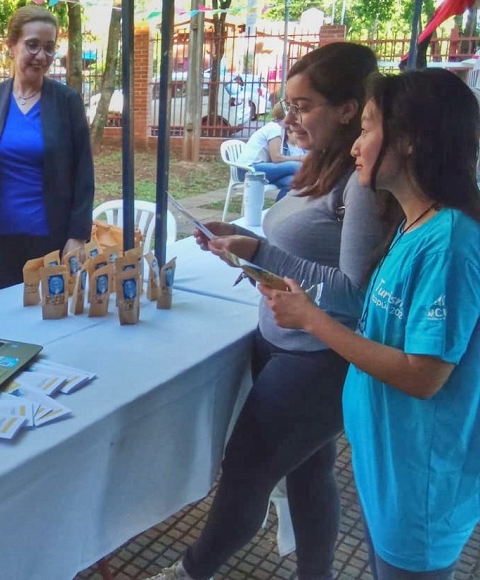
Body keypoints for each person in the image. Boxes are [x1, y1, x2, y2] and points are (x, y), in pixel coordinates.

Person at [147, 42, 390, 580]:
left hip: (318, 357)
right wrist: (245, 239)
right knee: (307, 473)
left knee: (246, 474)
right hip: (281, 342)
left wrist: (260, 252)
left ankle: (188, 572)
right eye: (288, 105)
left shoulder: (361, 187)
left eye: (303, 107)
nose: (288, 118)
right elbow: (304, 253)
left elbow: (352, 292)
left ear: (349, 110)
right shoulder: (319, 167)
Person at [262, 69, 480, 579]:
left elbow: (422, 375)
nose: (356, 145)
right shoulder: (415, 223)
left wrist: (313, 321)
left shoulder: (448, 243)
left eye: (367, 128)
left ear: (407, 141)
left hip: (420, 486)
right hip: (391, 469)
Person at [0, 5, 94, 287]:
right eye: (32, 45)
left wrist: (78, 235)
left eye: (49, 48)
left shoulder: (67, 102)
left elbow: (84, 173)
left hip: (51, 242)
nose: (41, 56)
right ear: (11, 45)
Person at [238, 102, 305, 199]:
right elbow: (276, 158)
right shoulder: (274, 129)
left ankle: (279, 212)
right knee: (297, 165)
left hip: (260, 169)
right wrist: (300, 158)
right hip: (248, 170)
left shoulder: (279, 129)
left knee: (292, 182)